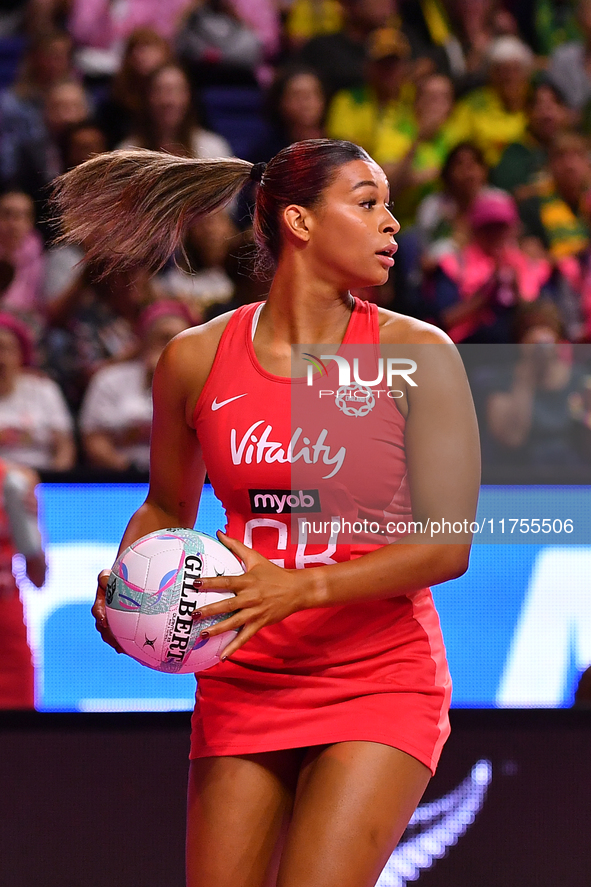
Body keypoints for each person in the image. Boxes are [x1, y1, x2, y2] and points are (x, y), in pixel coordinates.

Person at [54, 138, 480, 887]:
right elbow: (164, 505)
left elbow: (446, 547)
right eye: (367, 202)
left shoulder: (417, 353)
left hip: (377, 675)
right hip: (242, 676)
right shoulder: (194, 358)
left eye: (389, 207)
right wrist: (128, 588)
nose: (392, 226)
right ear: (299, 221)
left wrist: (297, 588)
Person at [79, 300, 192, 471]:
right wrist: (128, 469)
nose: (172, 345)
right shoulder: (109, 379)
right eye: (164, 338)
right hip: (121, 478)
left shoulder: (201, 383)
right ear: (146, 339)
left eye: (181, 338)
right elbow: (94, 439)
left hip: (181, 477)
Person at [0, 458, 47, 709]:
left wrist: (31, 520)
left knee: (19, 741)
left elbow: (38, 576)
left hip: (7, 641)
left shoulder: (15, 481)